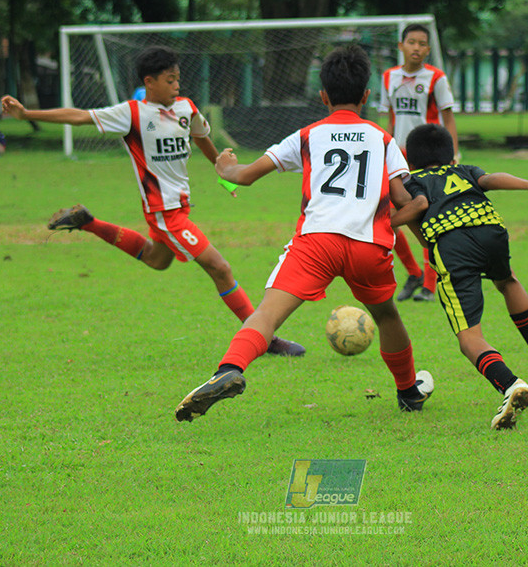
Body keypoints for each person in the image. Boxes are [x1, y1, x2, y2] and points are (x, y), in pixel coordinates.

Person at [175, 44, 434, 422]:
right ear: (365, 96)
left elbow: (243, 176)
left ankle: (229, 370)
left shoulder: (308, 135)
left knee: (266, 314)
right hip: (369, 246)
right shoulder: (382, 139)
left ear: (323, 96)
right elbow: (405, 201)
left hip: (317, 243)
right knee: (387, 316)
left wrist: (225, 165)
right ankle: (409, 391)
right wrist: (381, 221)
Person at [0, 46, 304, 357]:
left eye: (178, 80)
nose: (177, 86)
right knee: (220, 268)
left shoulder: (186, 108)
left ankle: (88, 222)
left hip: (179, 208)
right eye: (170, 80)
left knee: (155, 259)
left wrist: (225, 172)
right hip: (164, 213)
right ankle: (265, 339)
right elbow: (79, 116)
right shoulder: (131, 113)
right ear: (150, 82)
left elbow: (202, 138)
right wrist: (27, 114)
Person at [391, 124, 528, 430]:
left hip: (453, 243)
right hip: (491, 229)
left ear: (409, 160)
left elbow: (420, 214)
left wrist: (384, 224)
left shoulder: (412, 181)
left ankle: (510, 384)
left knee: (469, 337)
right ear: (451, 157)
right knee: (508, 281)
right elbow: (490, 180)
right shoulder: (463, 170)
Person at [378, 23, 459, 304]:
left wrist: (453, 154)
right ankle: (413, 272)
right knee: (386, 215)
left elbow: (448, 119)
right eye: (411, 42)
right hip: (398, 155)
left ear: (428, 48)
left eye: (422, 43)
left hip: (428, 158)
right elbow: (389, 117)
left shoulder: (436, 78)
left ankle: (429, 283)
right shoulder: (388, 77)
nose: (416, 47)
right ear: (401, 46)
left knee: (426, 217)